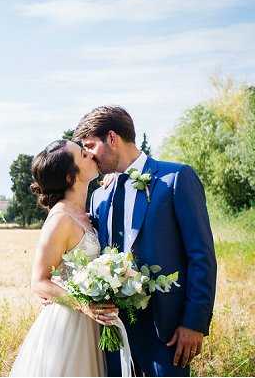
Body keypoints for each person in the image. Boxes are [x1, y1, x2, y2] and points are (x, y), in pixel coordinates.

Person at [73, 105, 217, 377]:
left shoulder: (175, 179)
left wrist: (194, 323)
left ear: (112, 138)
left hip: (168, 331)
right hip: (113, 331)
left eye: (90, 146)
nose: (88, 155)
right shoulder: (99, 196)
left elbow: (201, 256)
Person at [9, 139, 116, 377]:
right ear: (70, 177)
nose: (90, 153)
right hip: (69, 324)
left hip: (91, 324)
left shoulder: (83, 212)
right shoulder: (60, 219)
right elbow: (39, 281)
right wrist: (84, 305)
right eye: (83, 155)